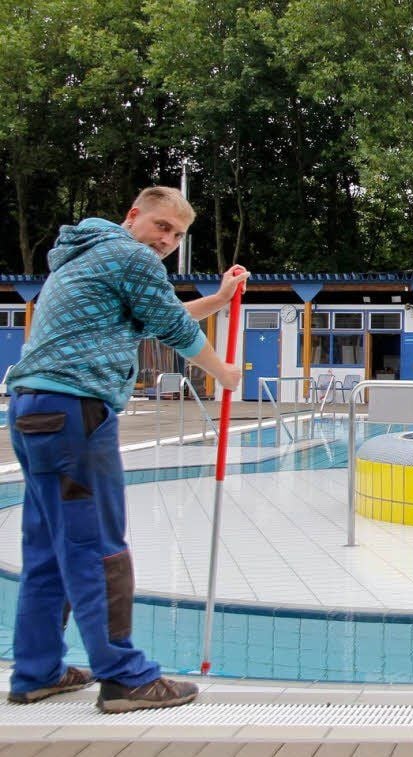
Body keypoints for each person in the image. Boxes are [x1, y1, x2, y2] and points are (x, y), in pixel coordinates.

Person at [5, 187, 249, 713]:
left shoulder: (87, 255)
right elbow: (172, 326)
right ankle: (124, 677)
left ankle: (37, 671)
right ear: (133, 215)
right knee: (97, 544)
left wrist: (218, 301)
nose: (167, 241)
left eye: (177, 235)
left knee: (48, 548)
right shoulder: (130, 256)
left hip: (33, 408)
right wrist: (224, 373)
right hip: (74, 411)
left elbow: (151, 316)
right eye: (162, 226)